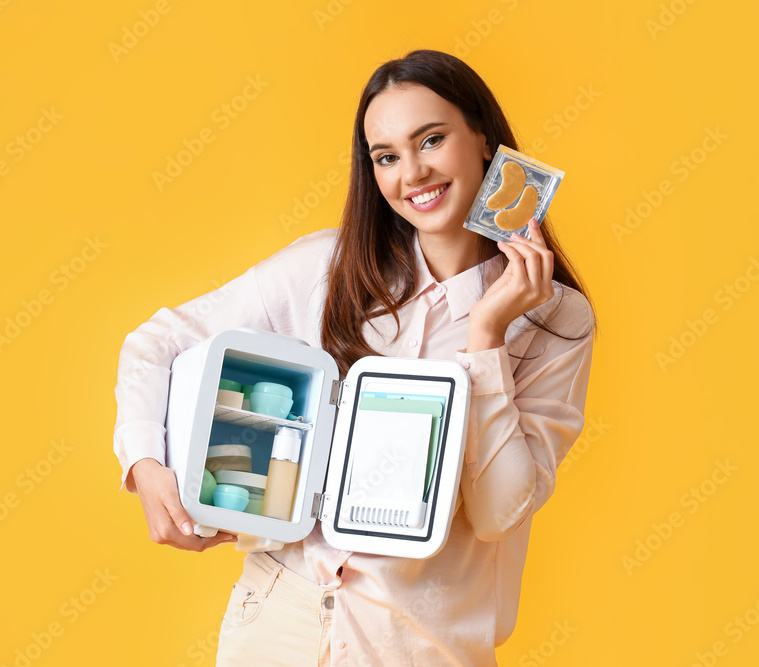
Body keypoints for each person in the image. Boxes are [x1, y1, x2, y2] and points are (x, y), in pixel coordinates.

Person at [113, 49, 597, 666]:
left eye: (432, 139)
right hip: (276, 618)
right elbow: (158, 341)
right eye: (387, 157)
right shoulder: (328, 266)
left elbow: (499, 512)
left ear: (483, 139)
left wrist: (486, 338)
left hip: (416, 641)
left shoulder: (556, 320)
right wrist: (147, 466)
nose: (413, 173)